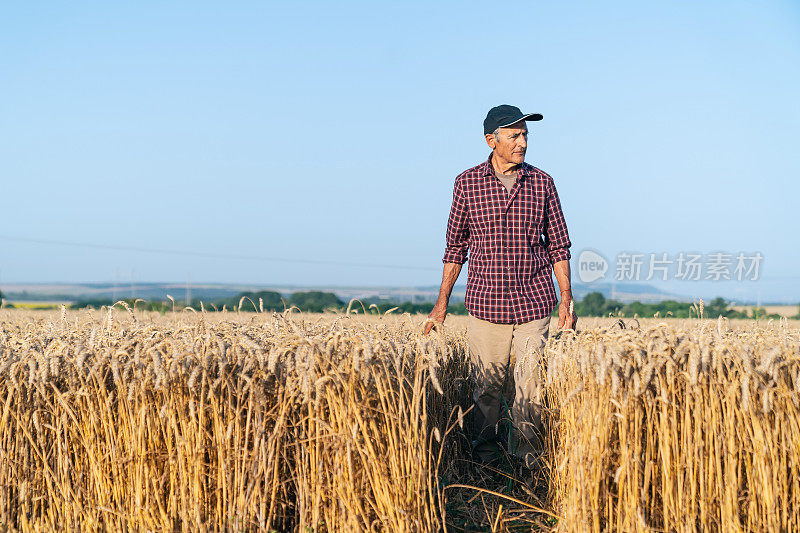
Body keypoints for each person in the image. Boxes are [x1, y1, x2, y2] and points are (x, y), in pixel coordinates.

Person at [423, 104, 577, 469]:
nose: (523, 142)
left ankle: (528, 466)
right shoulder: (467, 183)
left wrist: (566, 301)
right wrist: (440, 305)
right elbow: (455, 247)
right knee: (487, 391)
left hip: (534, 302)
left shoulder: (543, 183)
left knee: (531, 391)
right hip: (486, 304)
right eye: (514, 135)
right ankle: (486, 465)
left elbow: (559, 245)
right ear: (491, 140)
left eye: (525, 135)